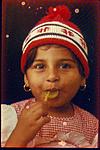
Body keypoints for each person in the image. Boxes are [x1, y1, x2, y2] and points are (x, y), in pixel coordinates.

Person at [1, 5, 98, 148]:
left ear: (82, 76)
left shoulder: (93, 127)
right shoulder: (11, 117)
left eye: (65, 66)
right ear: (26, 79)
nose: (52, 76)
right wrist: (19, 136)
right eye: (40, 66)